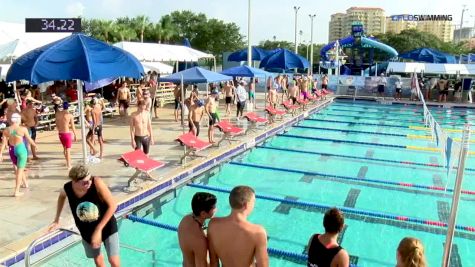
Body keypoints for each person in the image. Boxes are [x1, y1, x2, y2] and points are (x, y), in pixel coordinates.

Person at [48, 165, 120, 267]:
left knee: (114, 261)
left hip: (107, 225)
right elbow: (61, 197)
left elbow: (113, 205)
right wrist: (56, 219)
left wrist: (98, 230)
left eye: (90, 179)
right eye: (85, 182)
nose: (89, 182)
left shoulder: (97, 183)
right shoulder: (68, 188)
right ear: (74, 181)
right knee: (98, 261)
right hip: (87, 230)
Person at [208, 186, 269, 267]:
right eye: (253, 201)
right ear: (246, 205)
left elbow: (214, 263)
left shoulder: (213, 225)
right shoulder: (257, 232)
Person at [0, 113, 37, 196]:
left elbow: (3, 144)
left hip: (11, 150)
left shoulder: (6, 130)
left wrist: (1, 154)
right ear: (18, 119)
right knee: (20, 170)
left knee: (19, 168)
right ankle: (16, 191)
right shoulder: (22, 129)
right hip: (20, 149)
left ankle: (25, 183)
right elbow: (29, 139)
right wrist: (35, 145)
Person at [178, 192, 217, 267]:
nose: (216, 209)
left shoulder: (186, 219)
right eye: (213, 207)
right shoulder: (199, 240)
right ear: (203, 214)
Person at [55, 102, 77, 169]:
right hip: (67, 133)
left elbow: (57, 125)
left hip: (60, 134)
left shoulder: (57, 114)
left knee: (64, 149)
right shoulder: (69, 115)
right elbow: (73, 127)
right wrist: (75, 135)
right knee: (68, 150)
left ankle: (67, 162)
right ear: (68, 107)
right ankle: (69, 165)